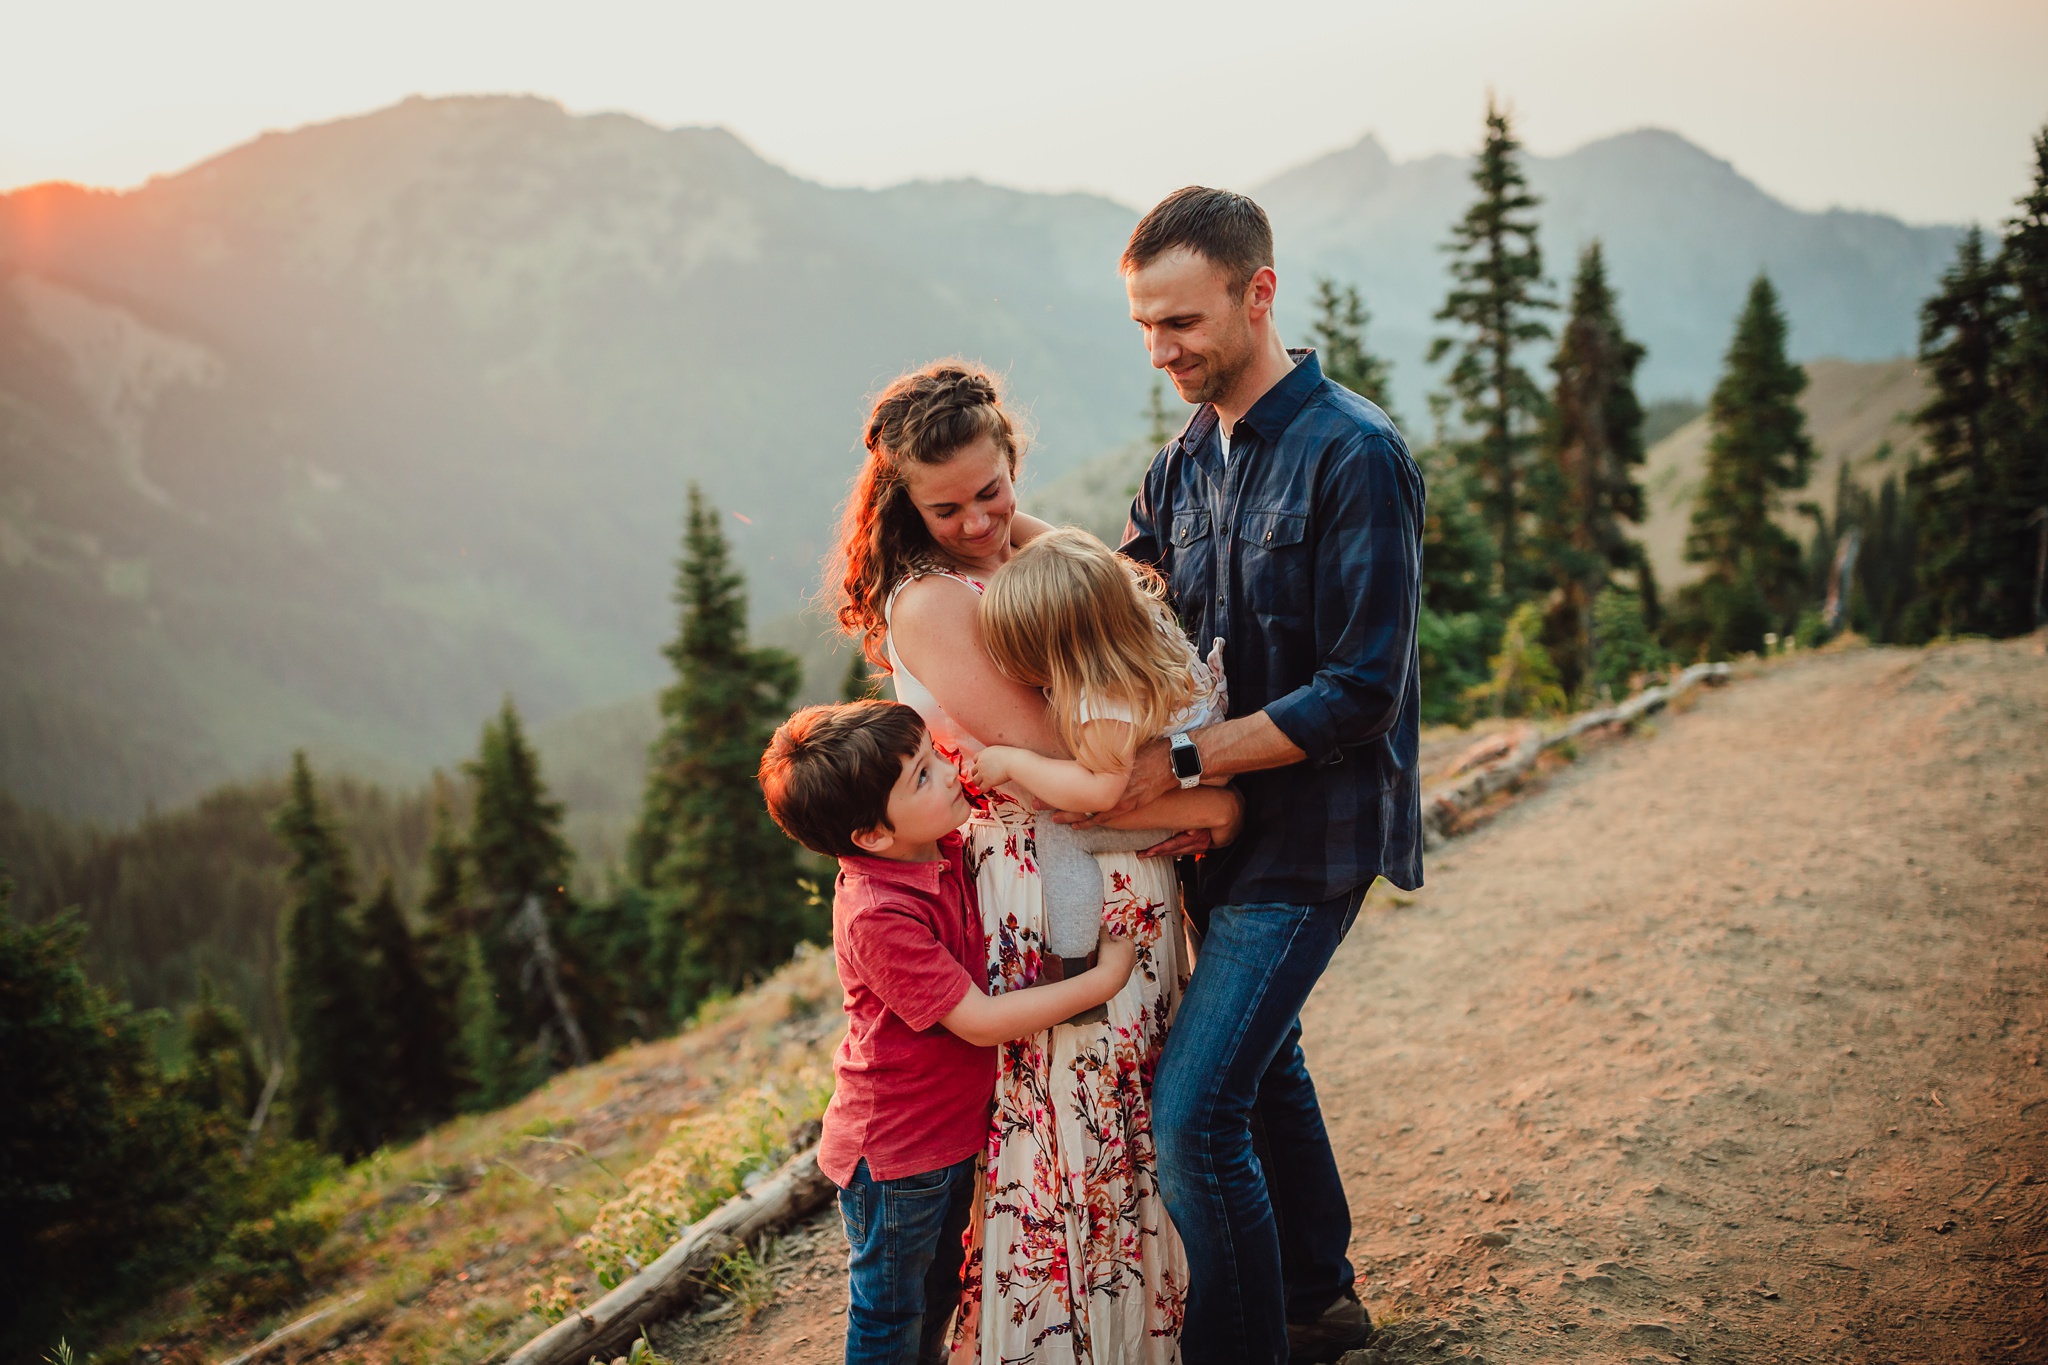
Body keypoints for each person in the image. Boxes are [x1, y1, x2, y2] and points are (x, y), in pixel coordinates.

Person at [829, 360, 1232, 1362]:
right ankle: (1078, 1336)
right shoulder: (926, 600)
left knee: (1136, 1114)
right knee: (1078, 1115)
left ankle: (1148, 1329)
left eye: (991, 491)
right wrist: (1203, 805)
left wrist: (1182, 803)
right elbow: (1053, 756)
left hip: (1111, 848)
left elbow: (1130, 612)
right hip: (1044, 882)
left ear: (1013, 460)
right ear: (902, 502)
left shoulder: (1029, 542)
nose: (976, 522)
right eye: (945, 507)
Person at [1099, 187, 1426, 1365]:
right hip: (1215, 836)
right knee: (1263, 1061)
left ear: (1259, 293)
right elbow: (1121, 612)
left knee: (1190, 1116)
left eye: (1180, 322)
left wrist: (1178, 761)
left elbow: (1360, 689)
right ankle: (1320, 1300)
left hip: (1314, 834)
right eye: (1143, 325)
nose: (1160, 350)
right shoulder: (1178, 466)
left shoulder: (1357, 452)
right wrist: (981, 537)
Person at [758, 699, 1139, 1365]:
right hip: (898, 1156)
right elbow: (979, 1023)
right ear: (873, 836)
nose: (948, 774)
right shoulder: (876, 913)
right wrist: (1101, 982)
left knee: (938, 1293)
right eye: (924, 778)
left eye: (933, 757)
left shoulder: (942, 842)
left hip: (947, 1138)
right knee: (890, 1314)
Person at [966, 527, 1236, 1002]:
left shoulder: (1103, 699)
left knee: (1062, 831)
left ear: (1060, 655)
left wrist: (1015, 761)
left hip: (1190, 791)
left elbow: (1101, 792)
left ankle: (1074, 965)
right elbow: (1068, 556)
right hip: (1199, 773)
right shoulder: (1131, 620)